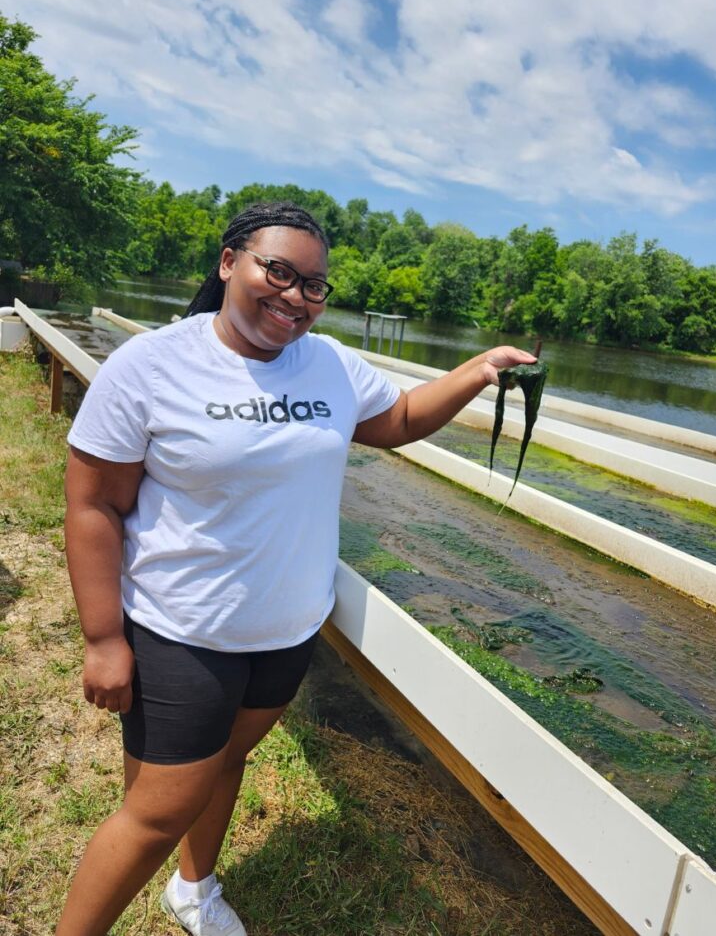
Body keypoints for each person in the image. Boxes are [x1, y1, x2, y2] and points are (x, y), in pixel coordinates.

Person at [57, 201, 535, 935]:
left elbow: (399, 418)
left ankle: (195, 888)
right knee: (153, 814)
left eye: (314, 285)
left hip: (285, 632)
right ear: (229, 263)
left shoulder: (332, 363)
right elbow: (93, 506)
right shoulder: (152, 366)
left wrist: (477, 370)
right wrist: (102, 639)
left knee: (225, 762)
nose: (295, 297)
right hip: (183, 632)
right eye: (278, 271)